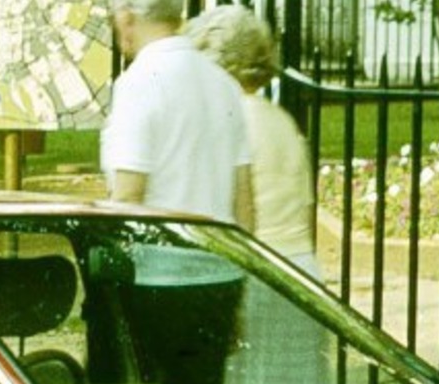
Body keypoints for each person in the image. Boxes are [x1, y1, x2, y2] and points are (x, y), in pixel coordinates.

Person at [184, 5, 316, 275]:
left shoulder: (226, 118)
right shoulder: (282, 120)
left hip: (257, 263)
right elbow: (308, 209)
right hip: (302, 266)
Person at [101, 0, 254, 227]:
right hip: (220, 252)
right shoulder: (225, 84)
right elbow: (244, 200)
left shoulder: (137, 82)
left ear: (126, 17)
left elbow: (128, 197)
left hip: (162, 253)